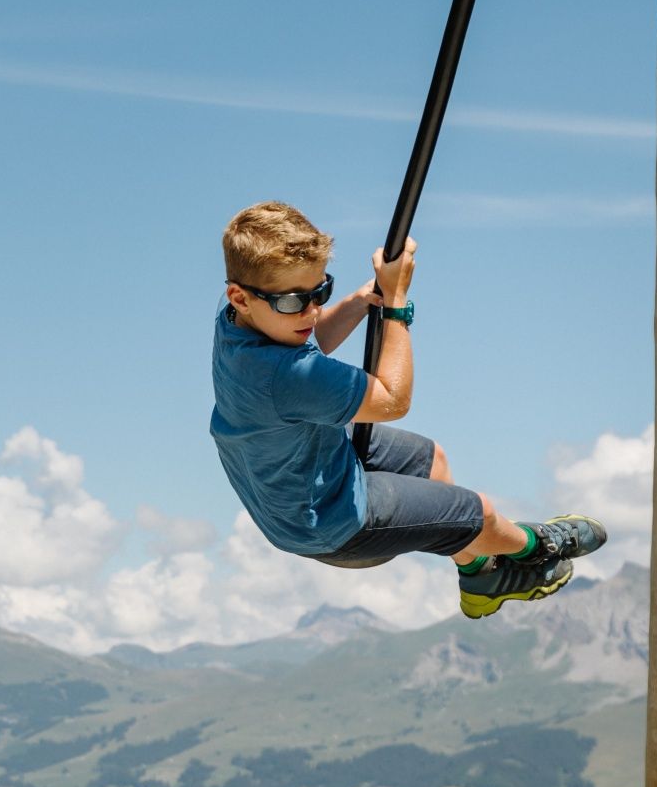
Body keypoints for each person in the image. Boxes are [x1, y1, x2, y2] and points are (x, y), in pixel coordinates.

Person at [210, 201, 606, 618]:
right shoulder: (282, 376)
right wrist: (396, 303)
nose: (311, 311)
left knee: (432, 460)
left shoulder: (241, 316)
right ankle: (536, 544)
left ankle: (479, 575)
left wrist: (363, 300)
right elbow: (392, 400)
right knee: (479, 512)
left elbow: (311, 337)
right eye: (295, 302)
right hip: (328, 520)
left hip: (300, 462)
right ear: (239, 296)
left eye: (320, 291)